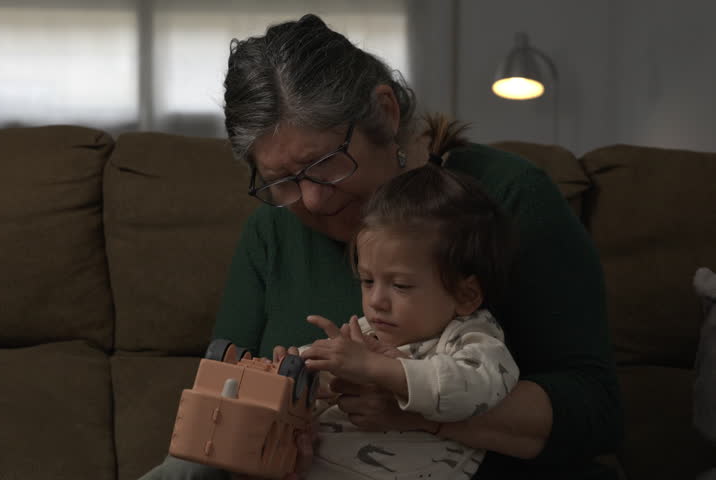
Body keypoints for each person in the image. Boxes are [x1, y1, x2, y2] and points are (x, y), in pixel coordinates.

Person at [142, 13, 622, 480]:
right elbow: (224, 406)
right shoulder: (270, 233)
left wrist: (413, 407)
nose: (311, 198)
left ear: (386, 113)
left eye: (325, 164)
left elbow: (594, 412)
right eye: (282, 180)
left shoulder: (507, 199)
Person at [294, 163, 520, 479]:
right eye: (367, 281)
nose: (376, 301)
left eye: (400, 285)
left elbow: (469, 391)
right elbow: (332, 379)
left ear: (466, 295)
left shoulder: (472, 338)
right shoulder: (368, 331)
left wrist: (373, 368)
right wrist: (299, 371)